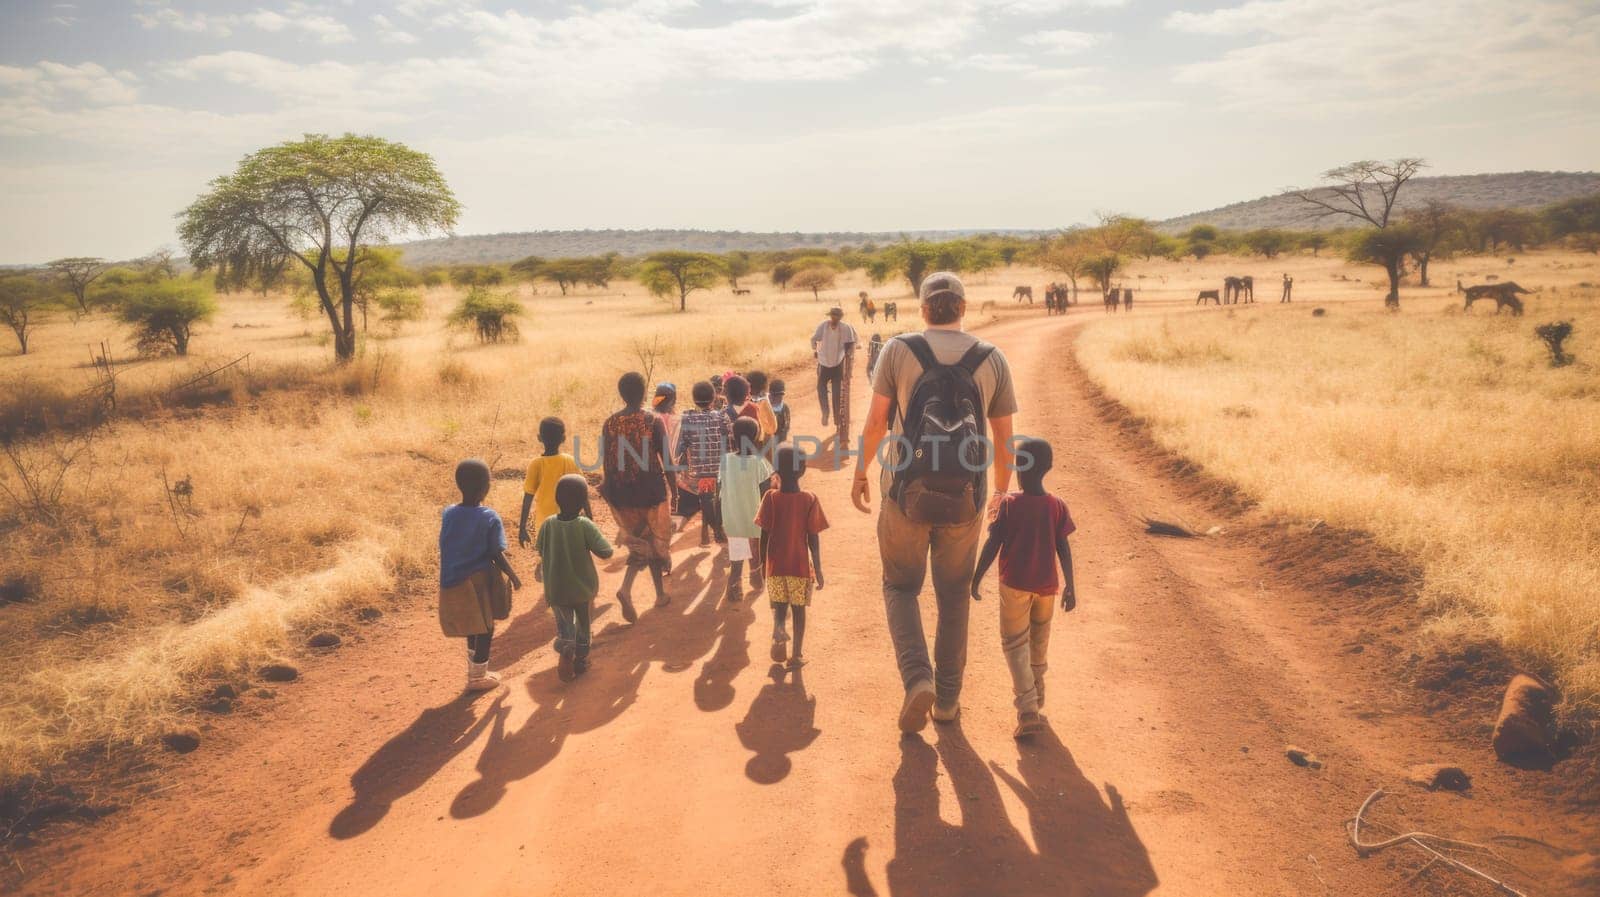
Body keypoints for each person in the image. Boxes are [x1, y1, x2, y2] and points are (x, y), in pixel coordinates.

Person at [852, 272, 1017, 734]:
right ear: (963, 308)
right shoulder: (992, 358)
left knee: (900, 588)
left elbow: (875, 424)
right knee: (953, 598)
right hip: (966, 499)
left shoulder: (899, 350)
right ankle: (946, 701)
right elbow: (1005, 441)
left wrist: (860, 472)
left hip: (905, 493)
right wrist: (1001, 494)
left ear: (923, 309)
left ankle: (916, 678)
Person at [969, 438, 1076, 739]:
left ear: (1018, 468)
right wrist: (1070, 586)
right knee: (1039, 639)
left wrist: (976, 578)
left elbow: (993, 544)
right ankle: (1036, 687)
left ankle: (1028, 709)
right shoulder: (1056, 506)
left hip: (1015, 585)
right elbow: (1063, 547)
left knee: (1015, 645)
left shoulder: (1011, 506)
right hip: (1047, 588)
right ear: (1048, 468)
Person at [438, 459, 523, 692]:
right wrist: (513, 576)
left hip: (453, 579)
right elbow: (496, 552)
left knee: (472, 626)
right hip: (478, 580)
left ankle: (474, 670)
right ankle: (477, 677)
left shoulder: (449, 513)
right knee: (486, 627)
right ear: (485, 488)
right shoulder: (489, 517)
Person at [599, 372, 672, 620]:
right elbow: (667, 461)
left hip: (621, 494)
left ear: (621, 394)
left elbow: (606, 462)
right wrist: (674, 489)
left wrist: (609, 491)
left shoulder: (609, 423)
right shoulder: (652, 420)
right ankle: (656, 593)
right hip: (650, 491)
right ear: (644, 393)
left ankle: (632, 589)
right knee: (653, 540)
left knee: (639, 543)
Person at [537, 474, 616, 681]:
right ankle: (580, 660)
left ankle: (564, 646)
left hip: (556, 588)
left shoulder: (547, 524)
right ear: (583, 502)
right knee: (583, 624)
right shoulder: (584, 525)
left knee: (564, 625)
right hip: (582, 588)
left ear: (556, 499)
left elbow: (540, 549)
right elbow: (606, 552)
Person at [756, 445, 827, 668]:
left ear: (775, 470)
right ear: (803, 469)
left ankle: (778, 627)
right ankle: (796, 655)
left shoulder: (770, 498)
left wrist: (761, 565)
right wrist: (819, 568)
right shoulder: (809, 499)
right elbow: (813, 538)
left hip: (775, 566)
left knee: (779, 606)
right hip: (799, 568)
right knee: (798, 610)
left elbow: (763, 536)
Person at [518, 417, 585, 585]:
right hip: (569, 519)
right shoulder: (570, 461)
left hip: (545, 523)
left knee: (551, 556)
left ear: (539, 438)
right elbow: (581, 490)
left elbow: (528, 497)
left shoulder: (536, 464)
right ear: (563, 439)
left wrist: (522, 527)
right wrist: (589, 516)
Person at [719, 417, 774, 602]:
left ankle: (735, 583)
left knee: (737, 551)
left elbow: (719, 488)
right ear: (757, 436)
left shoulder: (725, 460)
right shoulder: (760, 463)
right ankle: (756, 576)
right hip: (754, 515)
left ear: (733, 437)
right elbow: (766, 492)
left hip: (732, 514)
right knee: (755, 549)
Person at [675, 381, 730, 546]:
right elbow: (730, 442)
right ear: (713, 398)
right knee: (720, 498)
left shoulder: (687, 418)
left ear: (693, 399)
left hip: (701, 469)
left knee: (706, 499)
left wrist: (679, 465)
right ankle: (719, 527)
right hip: (721, 467)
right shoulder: (722, 416)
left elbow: (681, 446)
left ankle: (715, 529)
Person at [811, 306, 858, 428]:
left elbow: (850, 345)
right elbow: (814, 339)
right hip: (823, 362)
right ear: (830, 316)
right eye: (832, 316)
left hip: (838, 363)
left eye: (836, 316)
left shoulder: (845, 328)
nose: (834, 318)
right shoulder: (823, 326)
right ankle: (825, 413)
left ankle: (837, 420)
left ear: (840, 317)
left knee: (837, 394)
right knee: (821, 388)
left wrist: (849, 358)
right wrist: (815, 349)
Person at [744, 369, 780, 446]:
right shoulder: (763, 402)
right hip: (760, 442)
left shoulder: (742, 400)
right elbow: (773, 427)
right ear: (764, 386)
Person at [768, 379, 791, 445]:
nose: (778, 398)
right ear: (770, 394)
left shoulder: (784, 407)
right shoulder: (765, 407)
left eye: (780, 395)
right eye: (775, 395)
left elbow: (786, 426)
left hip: (780, 440)